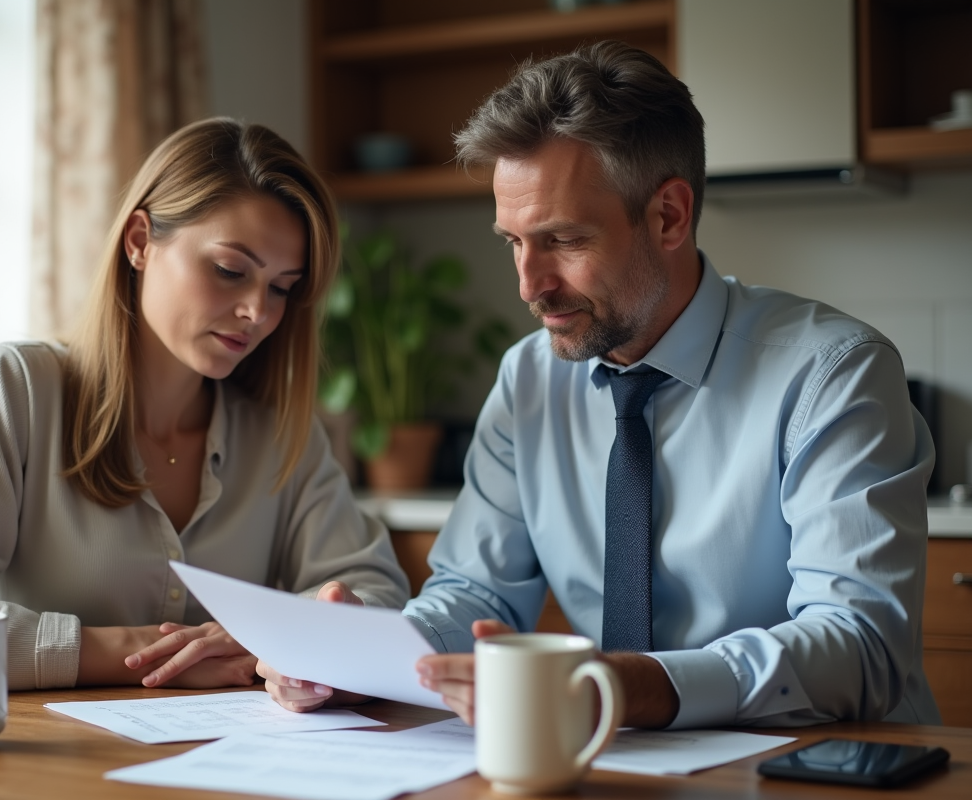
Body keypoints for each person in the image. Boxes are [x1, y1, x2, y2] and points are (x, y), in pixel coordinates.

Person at [260, 42, 941, 729]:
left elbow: (861, 645)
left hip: (817, 770)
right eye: (513, 242)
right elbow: (474, 596)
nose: (529, 285)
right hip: (612, 766)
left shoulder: (832, 373)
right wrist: (362, 659)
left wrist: (634, 687)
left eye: (562, 240)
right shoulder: (528, 379)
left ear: (669, 216)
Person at [0, 118, 409, 692]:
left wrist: (289, 639)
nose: (258, 311)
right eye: (230, 270)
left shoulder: (279, 434)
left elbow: (373, 593)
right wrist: (144, 648)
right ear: (140, 242)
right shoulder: (20, 388)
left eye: (281, 288)